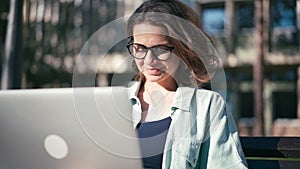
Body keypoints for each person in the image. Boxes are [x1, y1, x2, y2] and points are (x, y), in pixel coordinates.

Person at [126, 0, 248, 168]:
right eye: (139, 48)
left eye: (161, 49)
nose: (149, 60)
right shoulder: (112, 101)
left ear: (182, 48)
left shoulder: (207, 106)